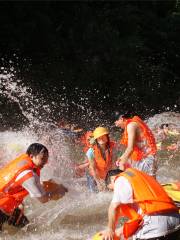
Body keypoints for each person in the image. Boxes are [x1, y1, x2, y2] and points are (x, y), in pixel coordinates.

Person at [0, 143, 67, 231]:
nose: (45, 162)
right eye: (42, 159)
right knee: (26, 229)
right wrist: (57, 191)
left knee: (25, 227)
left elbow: (21, 185)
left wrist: (50, 185)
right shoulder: (26, 174)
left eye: (46, 159)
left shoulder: (26, 161)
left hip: (5, 204)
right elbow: (43, 199)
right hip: (2, 207)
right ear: (31, 156)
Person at [99, 168, 180, 240]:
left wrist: (110, 229)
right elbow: (141, 215)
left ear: (112, 179)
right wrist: (120, 231)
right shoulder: (141, 177)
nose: (114, 192)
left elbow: (114, 207)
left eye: (112, 189)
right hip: (175, 221)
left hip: (155, 228)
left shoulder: (120, 179)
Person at [86, 127, 117, 192]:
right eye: (99, 137)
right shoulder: (91, 151)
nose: (101, 139)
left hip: (105, 173)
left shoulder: (113, 148)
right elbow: (93, 168)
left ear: (107, 137)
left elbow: (114, 165)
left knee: (111, 190)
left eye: (103, 136)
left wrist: (113, 179)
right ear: (96, 139)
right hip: (93, 174)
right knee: (94, 193)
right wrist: (98, 182)